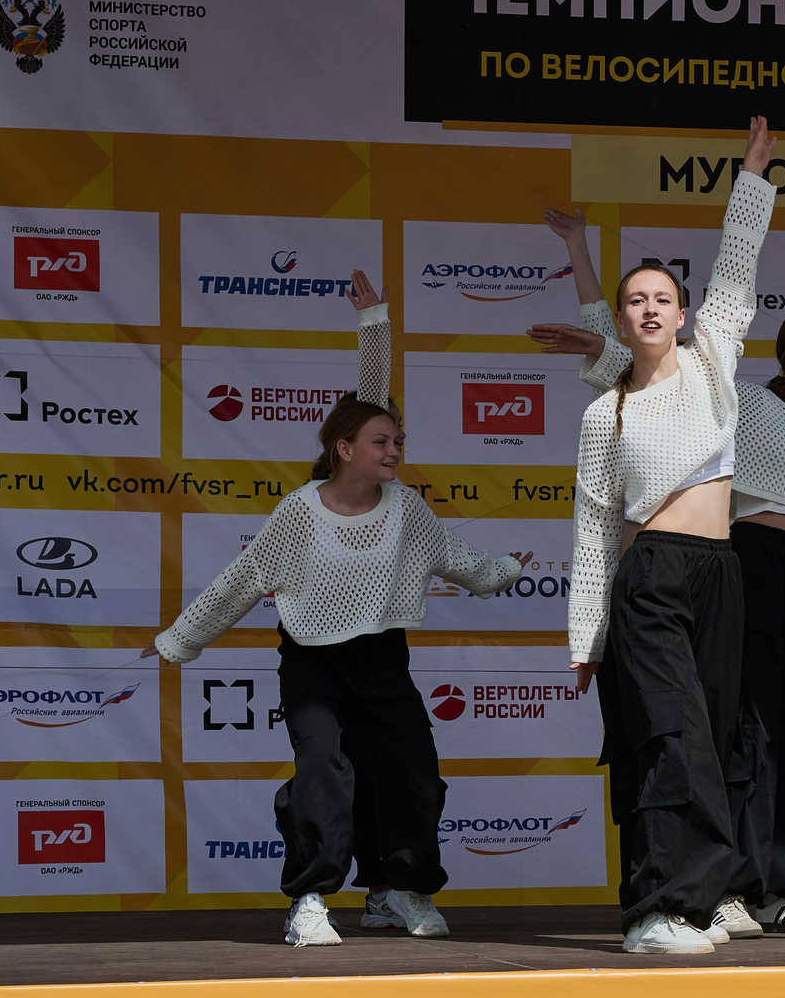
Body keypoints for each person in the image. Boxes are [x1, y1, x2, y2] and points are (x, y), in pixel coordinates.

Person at [153, 271, 521, 947]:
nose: (394, 450)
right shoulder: (298, 514)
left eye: (398, 442)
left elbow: (459, 558)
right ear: (344, 449)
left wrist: (506, 572)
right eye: (382, 442)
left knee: (411, 774)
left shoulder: (407, 508)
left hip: (382, 657)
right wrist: (179, 639)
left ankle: (397, 891)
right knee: (323, 772)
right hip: (312, 661)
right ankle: (312, 900)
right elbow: (239, 582)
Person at [566, 282, 785, 938]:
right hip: (743, 560)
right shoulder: (741, 400)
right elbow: (660, 382)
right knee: (743, 727)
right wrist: (605, 347)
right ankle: (730, 885)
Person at [566, 117, 775, 956]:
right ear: (621, 318)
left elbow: (737, 267)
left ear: (683, 314)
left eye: (663, 298)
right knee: (670, 737)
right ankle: (656, 910)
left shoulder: (712, 360)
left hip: (721, 572)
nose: (650, 309)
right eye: (636, 300)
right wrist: (586, 635)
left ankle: (697, 898)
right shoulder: (602, 411)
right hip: (648, 574)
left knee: (718, 737)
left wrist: (750, 182)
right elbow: (590, 531)